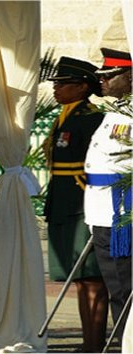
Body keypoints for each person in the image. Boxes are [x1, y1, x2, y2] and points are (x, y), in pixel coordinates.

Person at [43, 56, 108, 352]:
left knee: (92, 277)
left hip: (83, 204)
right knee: (79, 278)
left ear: (82, 87)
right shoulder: (65, 118)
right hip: (64, 202)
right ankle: (88, 342)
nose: (56, 89)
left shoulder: (91, 119)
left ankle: (94, 343)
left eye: (63, 84)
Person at [84, 47, 132, 344]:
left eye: (109, 76)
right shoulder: (118, 111)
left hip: (122, 213)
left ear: (130, 77)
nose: (101, 81)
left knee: (123, 286)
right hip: (103, 211)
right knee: (117, 285)